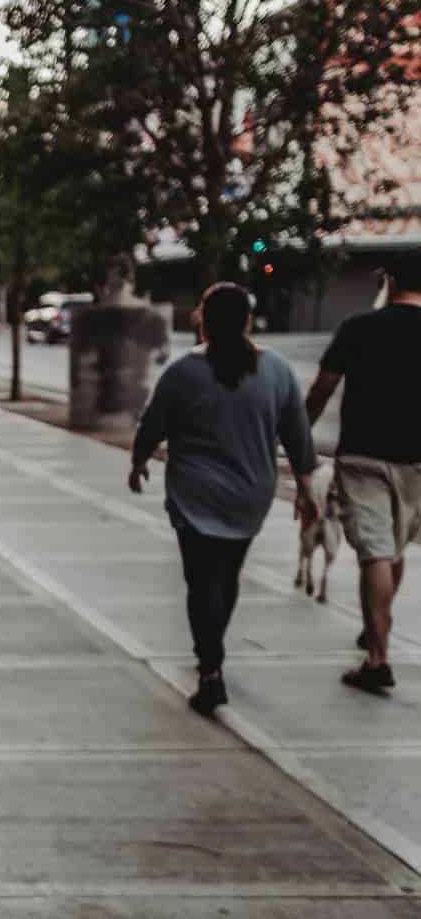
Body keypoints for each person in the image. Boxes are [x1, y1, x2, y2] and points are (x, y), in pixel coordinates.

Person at [129, 282, 319, 716]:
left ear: (202, 319)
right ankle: (213, 653)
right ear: (248, 321)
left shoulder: (183, 372)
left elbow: (153, 424)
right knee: (227, 577)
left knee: (200, 581)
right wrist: (307, 490)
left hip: (193, 493)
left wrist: (138, 462)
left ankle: (210, 667)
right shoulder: (277, 371)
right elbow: (298, 436)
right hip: (250, 495)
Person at [305, 249, 421, 694]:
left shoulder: (358, 328)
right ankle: (378, 631)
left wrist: (297, 439)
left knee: (374, 552)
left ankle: (377, 657)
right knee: (393, 548)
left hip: (364, 458)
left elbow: (321, 390)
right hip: (417, 461)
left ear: (389, 282)